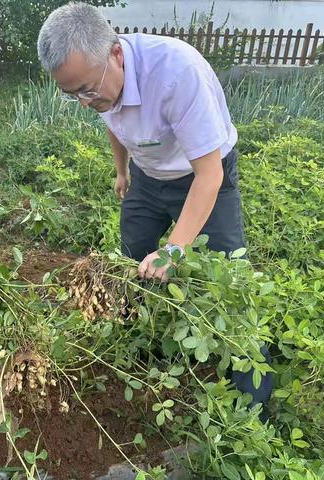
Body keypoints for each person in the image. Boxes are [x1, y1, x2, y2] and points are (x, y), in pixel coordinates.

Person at [37, 1, 272, 419]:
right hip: (148, 174)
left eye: (87, 89)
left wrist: (175, 248)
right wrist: (121, 171)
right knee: (131, 258)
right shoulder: (98, 83)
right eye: (71, 94)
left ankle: (253, 411)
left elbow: (209, 176)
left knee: (231, 280)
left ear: (115, 53)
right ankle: (140, 344)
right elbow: (113, 119)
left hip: (203, 175)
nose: (83, 101)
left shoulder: (176, 72)